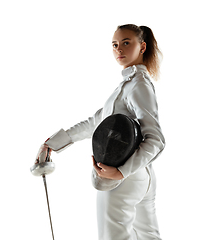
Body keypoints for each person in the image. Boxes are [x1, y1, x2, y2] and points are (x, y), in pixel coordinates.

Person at [36, 24, 165, 240]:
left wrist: (121, 172)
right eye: (115, 45)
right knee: (149, 237)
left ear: (142, 47)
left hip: (123, 176)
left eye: (126, 43)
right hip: (142, 176)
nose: (119, 49)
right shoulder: (127, 85)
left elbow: (156, 140)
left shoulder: (138, 85)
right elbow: (95, 122)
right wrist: (52, 144)